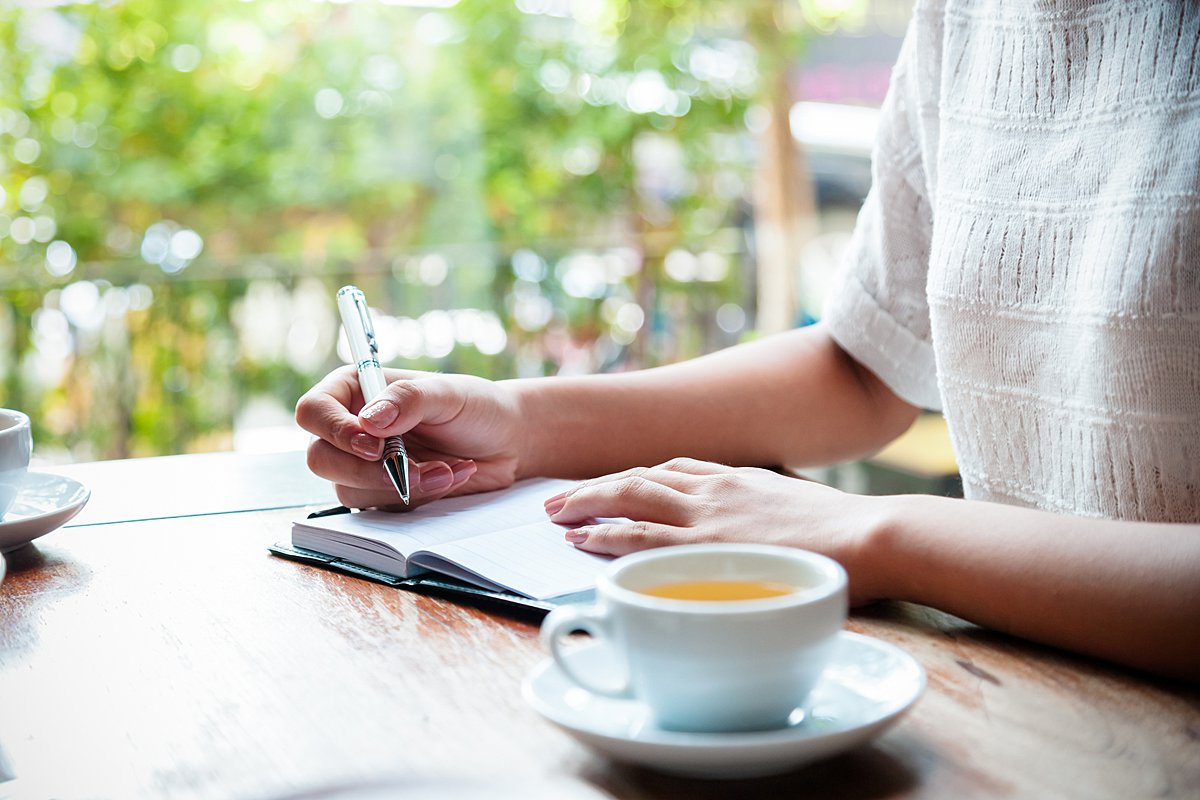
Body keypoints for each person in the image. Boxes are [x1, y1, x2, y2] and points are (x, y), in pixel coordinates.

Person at [296, 1, 1200, 680]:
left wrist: (875, 533)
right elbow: (861, 364)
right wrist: (517, 421)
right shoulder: (966, 17)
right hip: (1007, 687)